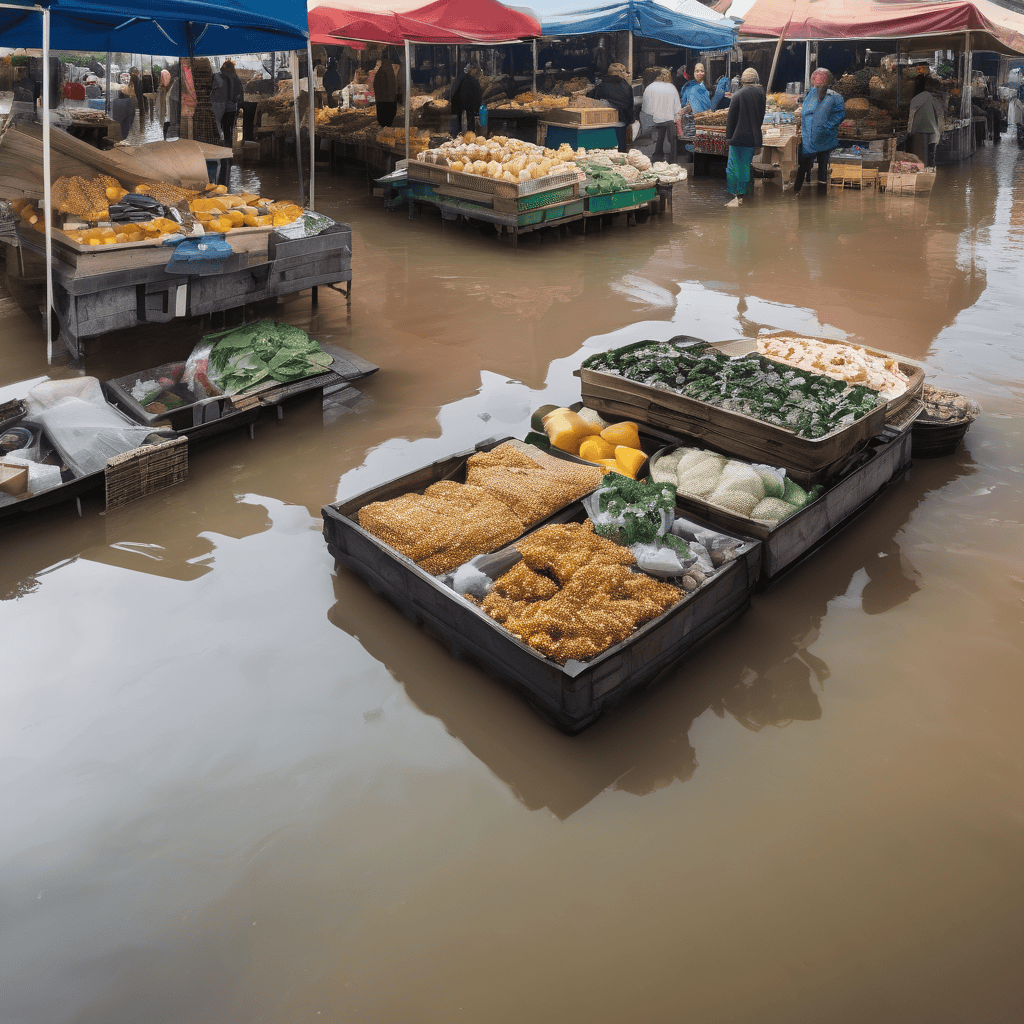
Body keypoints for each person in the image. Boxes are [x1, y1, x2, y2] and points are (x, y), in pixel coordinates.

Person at [794, 67, 846, 193]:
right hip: (809, 138)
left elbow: (840, 115)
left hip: (824, 137)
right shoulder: (810, 95)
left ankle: (820, 196)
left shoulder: (835, 97)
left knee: (822, 168)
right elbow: (805, 114)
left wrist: (827, 127)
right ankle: (797, 192)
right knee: (804, 166)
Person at [724, 67, 765, 206]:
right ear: (756, 79)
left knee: (733, 168)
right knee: (745, 166)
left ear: (743, 81)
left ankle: (736, 197)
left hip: (737, 138)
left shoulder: (738, 95)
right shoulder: (761, 94)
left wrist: (728, 138)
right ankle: (745, 195)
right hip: (752, 138)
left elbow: (731, 119)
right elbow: (761, 117)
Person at [592, 62, 635, 152]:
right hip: (621, 122)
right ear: (622, 72)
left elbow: (595, 101)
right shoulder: (626, 86)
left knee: (604, 150)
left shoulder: (601, 85)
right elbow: (630, 106)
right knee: (620, 151)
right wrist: (629, 121)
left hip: (603, 122)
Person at [642, 69, 681, 163]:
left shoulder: (650, 87)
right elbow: (677, 108)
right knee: (672, 142)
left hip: (655, 120)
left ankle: (656, 160)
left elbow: (645, 108)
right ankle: (671, 162)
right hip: (670, 120)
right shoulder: (672, 87)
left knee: (658, 140)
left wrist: (654, 113)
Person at [907, 75, 945, 168]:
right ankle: (931, 172)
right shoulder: (932, 98)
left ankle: (922, 172)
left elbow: (911, 115)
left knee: (919, 158)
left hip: (919, 131)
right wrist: (940, 129)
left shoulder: (915, 99)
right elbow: (940, 113)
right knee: (931, 157)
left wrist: (909, 130)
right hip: (932, 131)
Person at [214, 60, 244, 145]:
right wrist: (240, 106)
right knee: (229, 128)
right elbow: (240, 94)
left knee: (222, 127)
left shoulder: (218, 77)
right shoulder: (236, 78)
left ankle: (224, 144)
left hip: (220, 107)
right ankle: (228, 145)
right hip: (232, 107)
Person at [449, 63, 482, 136]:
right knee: (470, 120)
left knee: (459, 122)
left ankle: (458, 135)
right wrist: (477, 108)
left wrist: (453, 105)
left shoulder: (458, 79)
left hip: (459, 104)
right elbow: (478, 95)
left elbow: (453, 92)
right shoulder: (473, 80)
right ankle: (470, 134)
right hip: (470, 105)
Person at [374, 56, 398, 128]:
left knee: (385, 120)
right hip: (386, 100)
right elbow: (391, 85)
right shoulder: (387, 69)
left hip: (384, 100)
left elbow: (390, 85)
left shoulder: (385, 69)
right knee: (386, 120)